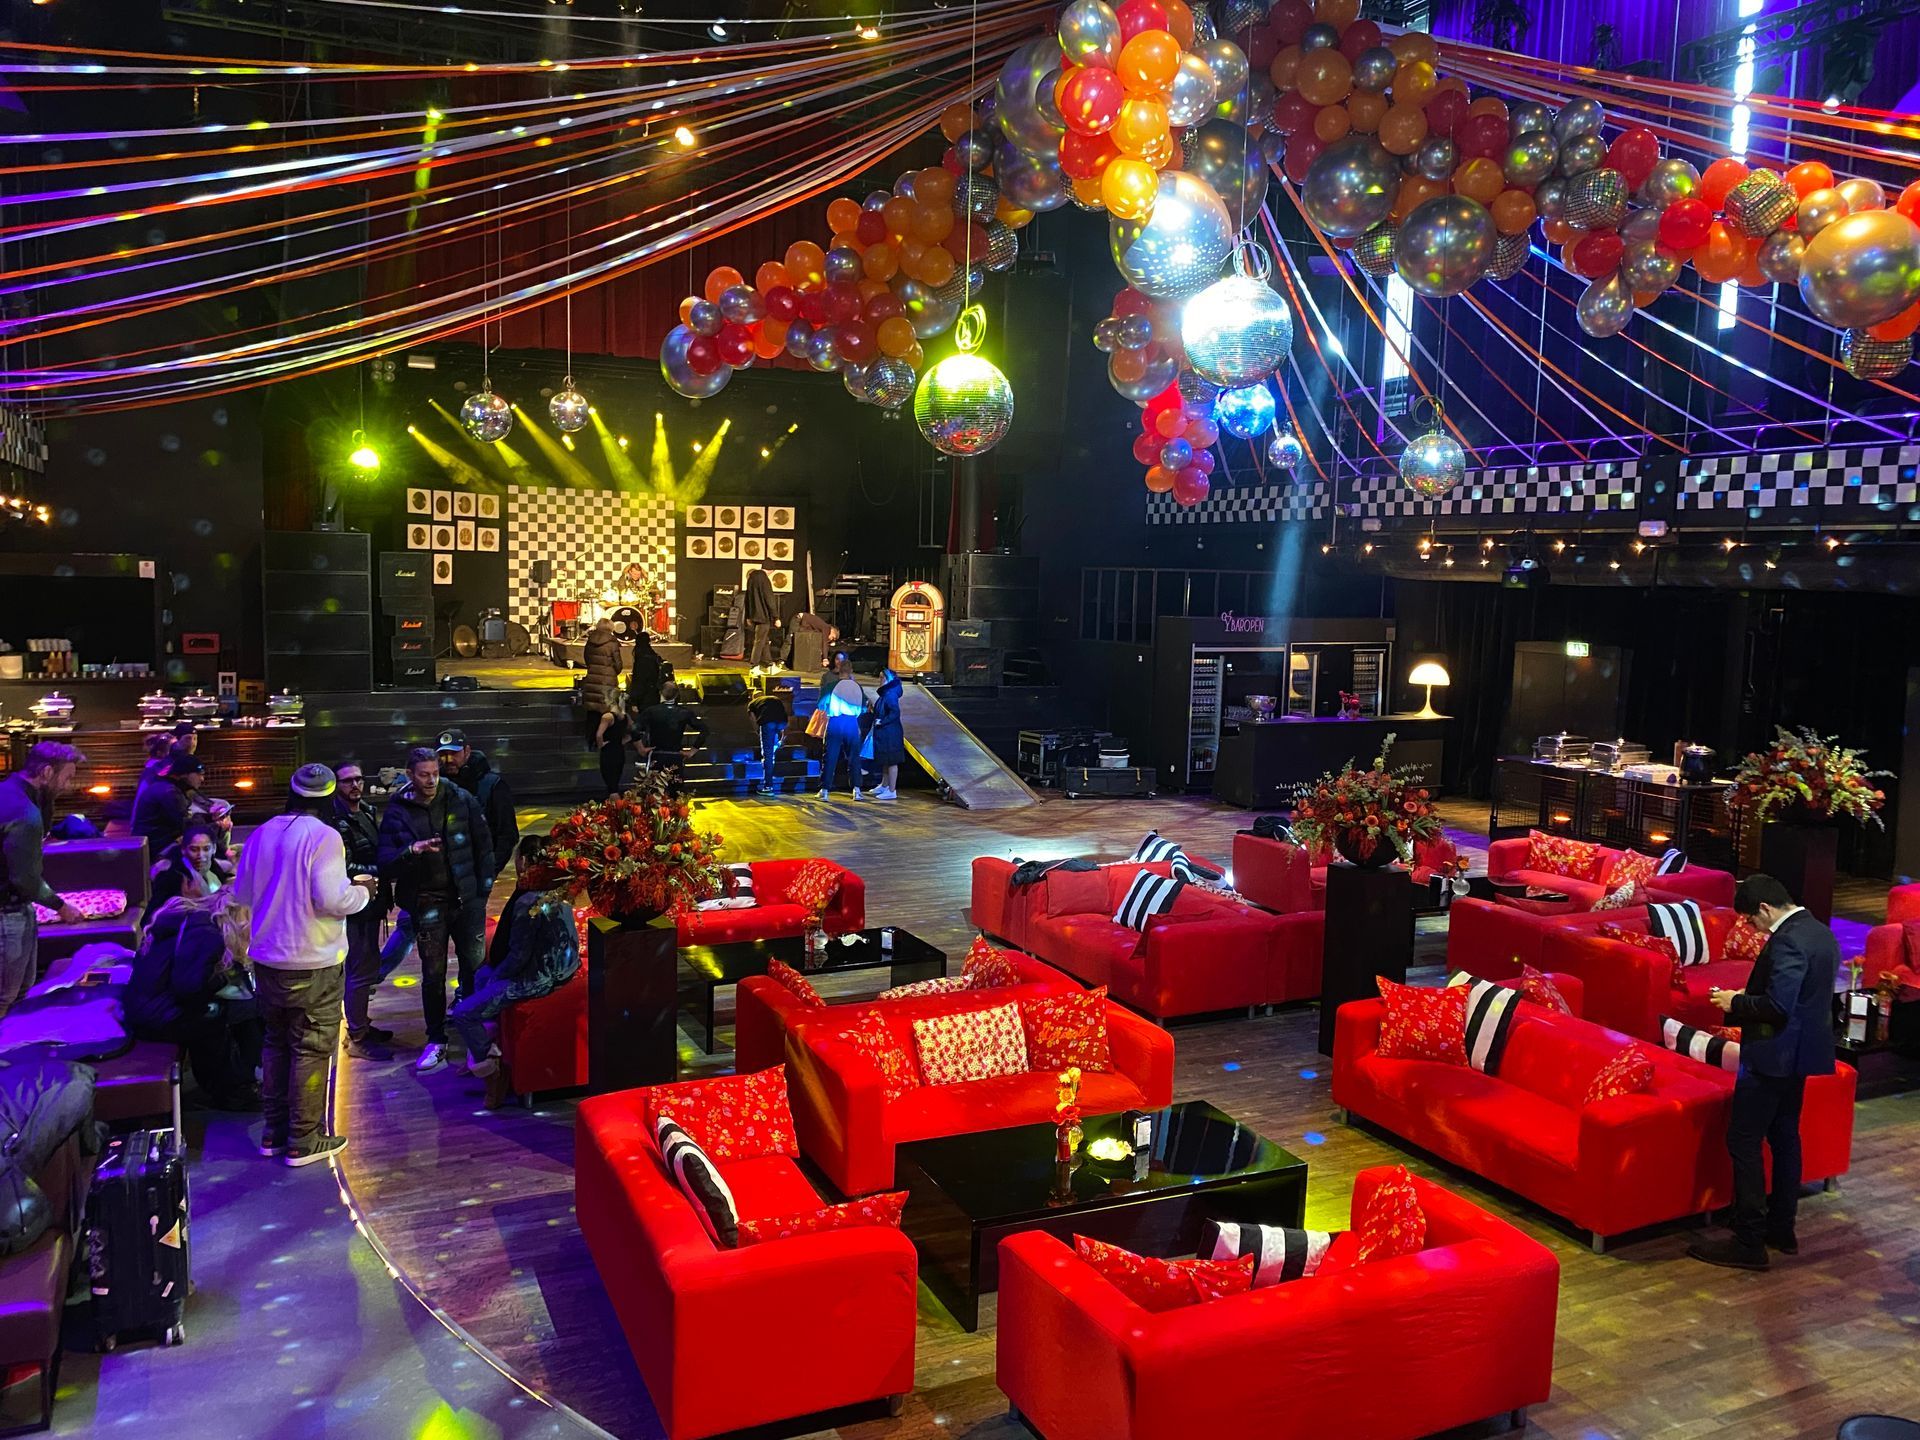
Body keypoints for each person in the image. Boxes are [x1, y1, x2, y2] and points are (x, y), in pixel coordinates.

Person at [1688, 873, 1839, 1272]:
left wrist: (1735, 1001)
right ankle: (1781, 1227)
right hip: (1802, 1057)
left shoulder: (1787, 940)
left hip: (1773, 1056)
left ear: (1765, 909)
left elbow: (1777, 1005)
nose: (1751, 929)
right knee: (1786, 1136)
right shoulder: (1822, 932)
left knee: (1743, 1139)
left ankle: (1748, 1240)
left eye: (1752, 921)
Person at [230, 763, 374, 1166]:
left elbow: (242, 893)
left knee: (275, 1044)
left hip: (267, 960)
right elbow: (332, 900)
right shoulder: (324, 837)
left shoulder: (260, 832)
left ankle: (274, 1133)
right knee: (311, 1048)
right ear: (329, 797)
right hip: (313, 961)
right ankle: (304, 1139)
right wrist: (362, 892)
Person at [378, 746, 495, 1075]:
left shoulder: (460, 797)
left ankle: (476, 1039)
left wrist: (482, 890)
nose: (431, 780)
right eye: (424, 775)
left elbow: (484, 845)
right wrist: (412, 850)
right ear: (410, 774)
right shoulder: (399, 809)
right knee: (433, 974)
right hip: (427, 902)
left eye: (435, 774)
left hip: (466, 900)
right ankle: (436, 1039)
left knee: (474, 969)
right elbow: (385, 862)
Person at [450, 836, 581, 1107]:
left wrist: (497, 978)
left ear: (522, 861)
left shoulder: (529, 902)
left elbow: (519, 957)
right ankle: (484, 1054)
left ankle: (492, 1075)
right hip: (556, 969)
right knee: (479, 977)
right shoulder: (557, 892)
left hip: (536, 978)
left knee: (464, 1013)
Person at [126, 890, 262, 1111]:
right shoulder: (207, 934)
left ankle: (237, 1080)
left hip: (146, 1007)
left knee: (228, 1008)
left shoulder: (196, 918)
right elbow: (188, 988)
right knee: (231, 1013)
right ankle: (232, 1091)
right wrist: (221, 981)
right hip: (155, 1016)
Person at [0, 742, 87, 1016]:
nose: (69, 785)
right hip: (7, 912)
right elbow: (25, 878)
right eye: (68, 777)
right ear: (47, 772)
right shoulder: (25, 813)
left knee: (19, 993)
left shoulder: (10, 791)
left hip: (15, 908)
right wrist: (61, 906)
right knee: (6, 997)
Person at [332, 762, 394, 1058]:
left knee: (367, 967)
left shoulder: (367, 810)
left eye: (358, 779)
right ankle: (356, 1033)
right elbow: (344, 867)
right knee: (359, 969)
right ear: (336, 785)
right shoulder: (336, 819)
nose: (355, 785)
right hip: (356, 902)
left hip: (372, 900)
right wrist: (385, 869)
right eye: (347, 781)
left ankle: (361, 1025)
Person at [437, 729, 518, 875]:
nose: (448, 760)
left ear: (467, 751)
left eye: (454, 753)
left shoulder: (493, 785)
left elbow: (507, 834)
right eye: (443, 754)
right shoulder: (435, 786)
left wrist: (490, 870)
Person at [816, 656, 870, 800]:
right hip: (852, 723)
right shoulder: (858, 687)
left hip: (835, 722)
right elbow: (864, 708)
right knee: (854, 757)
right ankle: (857, 790)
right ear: (851, 670)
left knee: (830, 757)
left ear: (839, 670)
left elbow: (820, 705)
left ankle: (825, 790)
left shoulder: (830, 686)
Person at [131, 747, 203, 855]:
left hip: (154, 843)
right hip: (157, 848)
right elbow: (186, 825)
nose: (202, 779)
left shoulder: (166, 786)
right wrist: (214, 822)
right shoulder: (170, 792)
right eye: (199, 774)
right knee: (201, 838)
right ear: (184, 774)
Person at [149, 820, 232, 905]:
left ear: (214, 849)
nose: (201, 855)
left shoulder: (212, 865)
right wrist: (191, 902)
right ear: (184, 850)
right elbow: (156, 914)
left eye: (206, 849)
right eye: (194, 850)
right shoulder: (171, 877)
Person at [633, 681, 696, 791]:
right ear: (676, 695)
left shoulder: (652, 711)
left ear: (661, 693)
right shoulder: (684, 712)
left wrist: (640, 748)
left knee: (655, 793)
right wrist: (692, 751)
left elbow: (634, 729)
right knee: (676, 794)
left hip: (657, 755)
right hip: (676, 756)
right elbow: (705, 731)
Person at [581, 618, 623, 751]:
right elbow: (618, 664)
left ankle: (590, 742)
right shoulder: (612, 642)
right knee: (606, 711)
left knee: (592, 711)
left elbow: (587, 659)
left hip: (592, 678)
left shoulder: (590, 640)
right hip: (607, 681)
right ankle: (605, 741)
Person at [864, 667, 905, 802]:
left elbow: (894, 712)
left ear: (889, 679)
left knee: (892, 761)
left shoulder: (890, 694)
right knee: (885, 760)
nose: (880, 680)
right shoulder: (885, 694)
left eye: (882, 677)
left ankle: (891, 790)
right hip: (886, 732)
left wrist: (882, 721)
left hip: (890, 733)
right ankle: (884, 785)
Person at [748, 684, 791, 796]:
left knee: (767, 754)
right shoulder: (774, 698)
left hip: (767, 723)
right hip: (781, 722)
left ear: (753, 697)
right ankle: (776, 745)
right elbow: (785, 719)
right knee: (773, 748)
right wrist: (783, 738)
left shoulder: (752, 703)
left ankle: (768, 786)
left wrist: (758, 732)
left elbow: (753, 720)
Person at [744, 565, 777, 669]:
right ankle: (754, 665)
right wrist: (776, 617)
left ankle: (769, 663)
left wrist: (748, 616)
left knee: (764, 640)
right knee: (759, 641)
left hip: (753, 615)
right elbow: (769, 599)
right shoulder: (765, 580)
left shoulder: (751, 578)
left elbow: (747, 598)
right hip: (763, 616)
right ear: (771, 570)